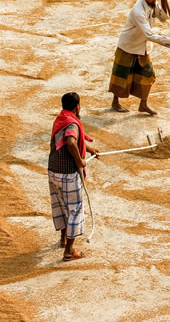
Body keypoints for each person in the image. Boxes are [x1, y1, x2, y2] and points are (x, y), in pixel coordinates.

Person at [109, 0, 170, 115]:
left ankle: (143, 104)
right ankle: (115, 102)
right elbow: (149, 35)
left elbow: (163, 17)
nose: (153, 0)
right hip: (128, 45)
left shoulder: (154, 2)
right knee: (121, 75)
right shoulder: (138, 11)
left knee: (148, 75)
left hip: (142, 47)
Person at [48, 92, 100, 261]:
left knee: (61, 206)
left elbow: (70, 140)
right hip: (68, 174)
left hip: (53, 170)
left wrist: (90, 150)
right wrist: (80, 162)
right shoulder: (72, 124)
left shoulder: (60, 119)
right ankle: (69, 251)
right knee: (74, 209)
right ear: (77, 106)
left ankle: (63, 240)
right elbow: (70, 141)